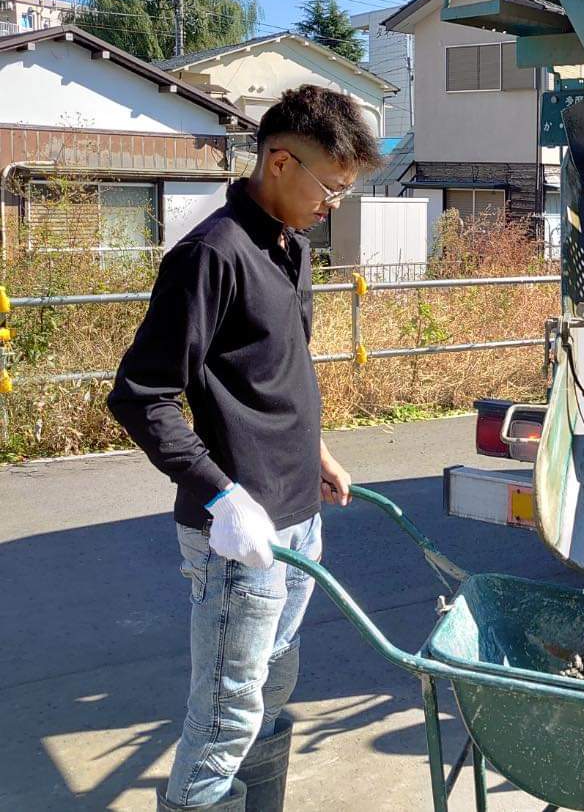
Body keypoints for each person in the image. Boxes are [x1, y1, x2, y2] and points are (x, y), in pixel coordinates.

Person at [109, 86, 381, 809]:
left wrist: (314, 452)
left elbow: (277, 369)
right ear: (280, 160)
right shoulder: (211, 255)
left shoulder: (290, 248)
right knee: (227, 715)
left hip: (295, 520)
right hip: (239, 532)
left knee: (272, 687)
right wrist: (221, 493)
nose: (334, 204)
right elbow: (141, 395)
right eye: (331, 186)